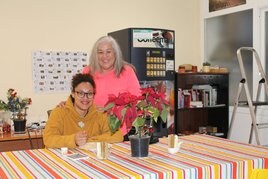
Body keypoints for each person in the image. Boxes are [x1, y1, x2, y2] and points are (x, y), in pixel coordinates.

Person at [59, 36, 141, 139]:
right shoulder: (88, 71)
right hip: (92, 131)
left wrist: (111, 109)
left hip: (119, 133)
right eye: (100, 52)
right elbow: (80, 94)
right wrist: (68, 103)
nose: (104, 56)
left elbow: (137, 102)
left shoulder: (127, 71)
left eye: (108, 52)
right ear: (95, 55)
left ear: (115, 53)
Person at [43, 73, 123, 148]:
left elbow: (118, 135)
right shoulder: (59, 112)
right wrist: (73, 140)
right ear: (73, 94)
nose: (85, 98)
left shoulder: (100, 113)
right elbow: (48, 139)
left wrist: (89, 140)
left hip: (91, 159)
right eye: (80, 93)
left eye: (89, 93)